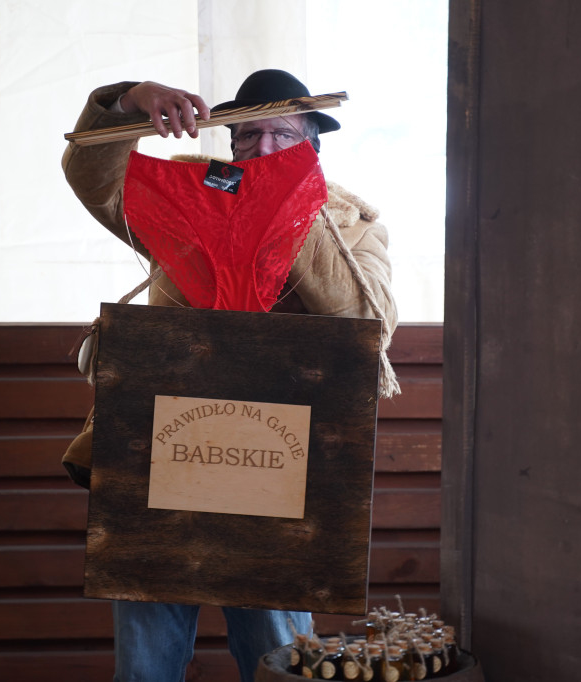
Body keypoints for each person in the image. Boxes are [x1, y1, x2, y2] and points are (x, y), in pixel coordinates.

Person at [61, 69, 397, 682]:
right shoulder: (193, 196)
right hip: (165, 452)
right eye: (248, 137)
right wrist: (127, 103)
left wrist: (289, 208)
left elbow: (367, 325)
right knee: (145, 664)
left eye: (282, 136)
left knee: (280, 660)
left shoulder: (356, 224)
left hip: (285, 470)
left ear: (312, 146)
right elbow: (94, 181)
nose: (262, 149)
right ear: (231, 146)